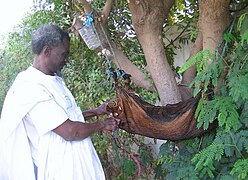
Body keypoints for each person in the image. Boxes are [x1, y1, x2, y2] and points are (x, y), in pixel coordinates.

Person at [0, 24, 119, 180]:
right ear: (47, 51)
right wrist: (102, 125)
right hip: (61, 171)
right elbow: (70, 131)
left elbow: (60, 119)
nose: (66, 60)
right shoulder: (30, 86)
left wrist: (96, 111)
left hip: (75, 167)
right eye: (64, 54)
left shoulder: (53, 80)